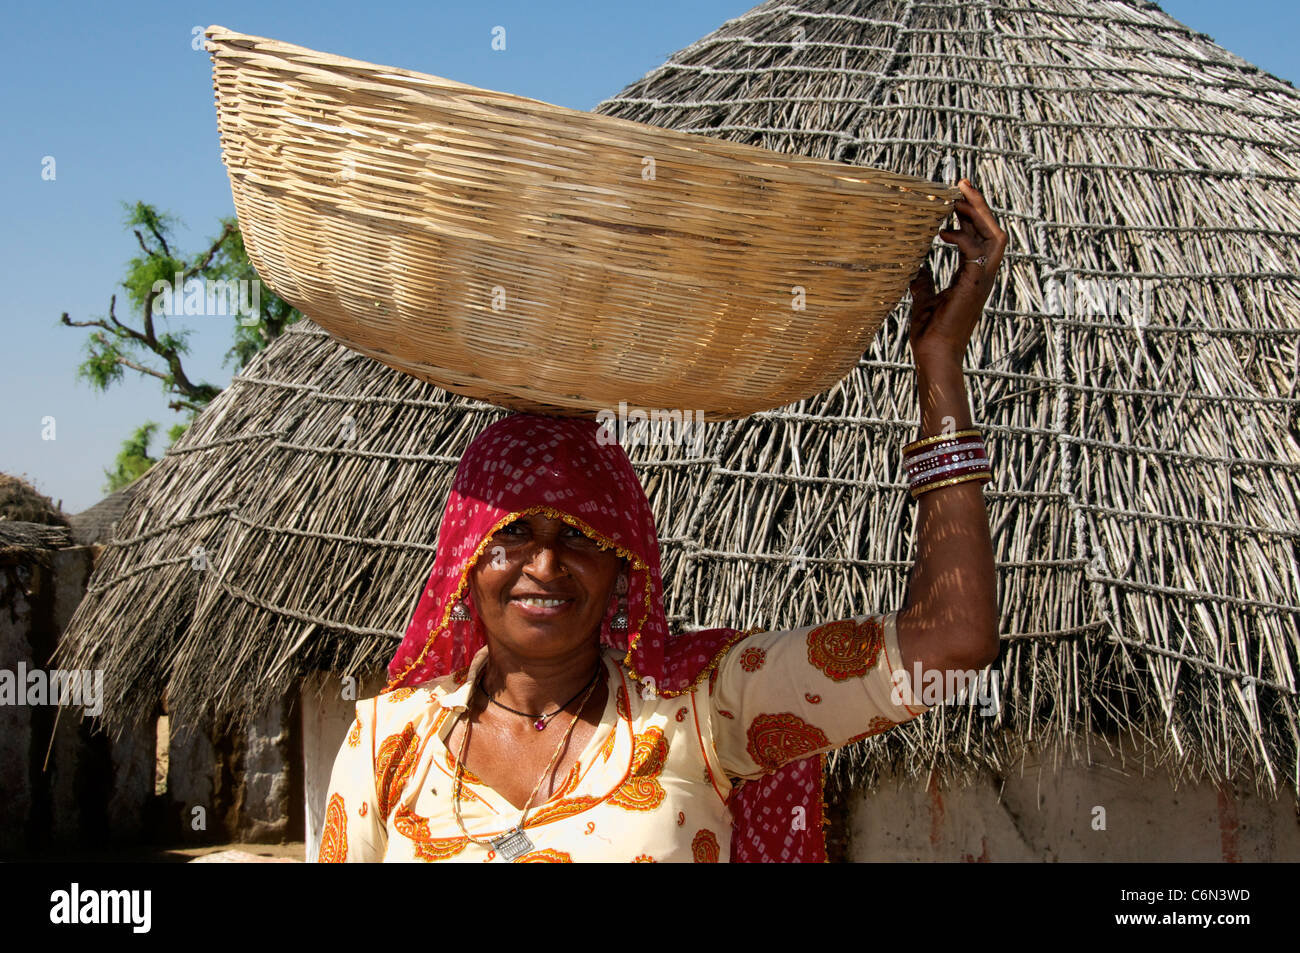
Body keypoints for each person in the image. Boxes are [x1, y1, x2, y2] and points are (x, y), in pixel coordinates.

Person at [318, 179, 1006, 862]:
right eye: (516, 532)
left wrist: (939, 362)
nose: (546, 564)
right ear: (466, 557)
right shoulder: (388, 740)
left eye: (581, 535)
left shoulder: (699, 707)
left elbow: (951, 641)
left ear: (627, 562)